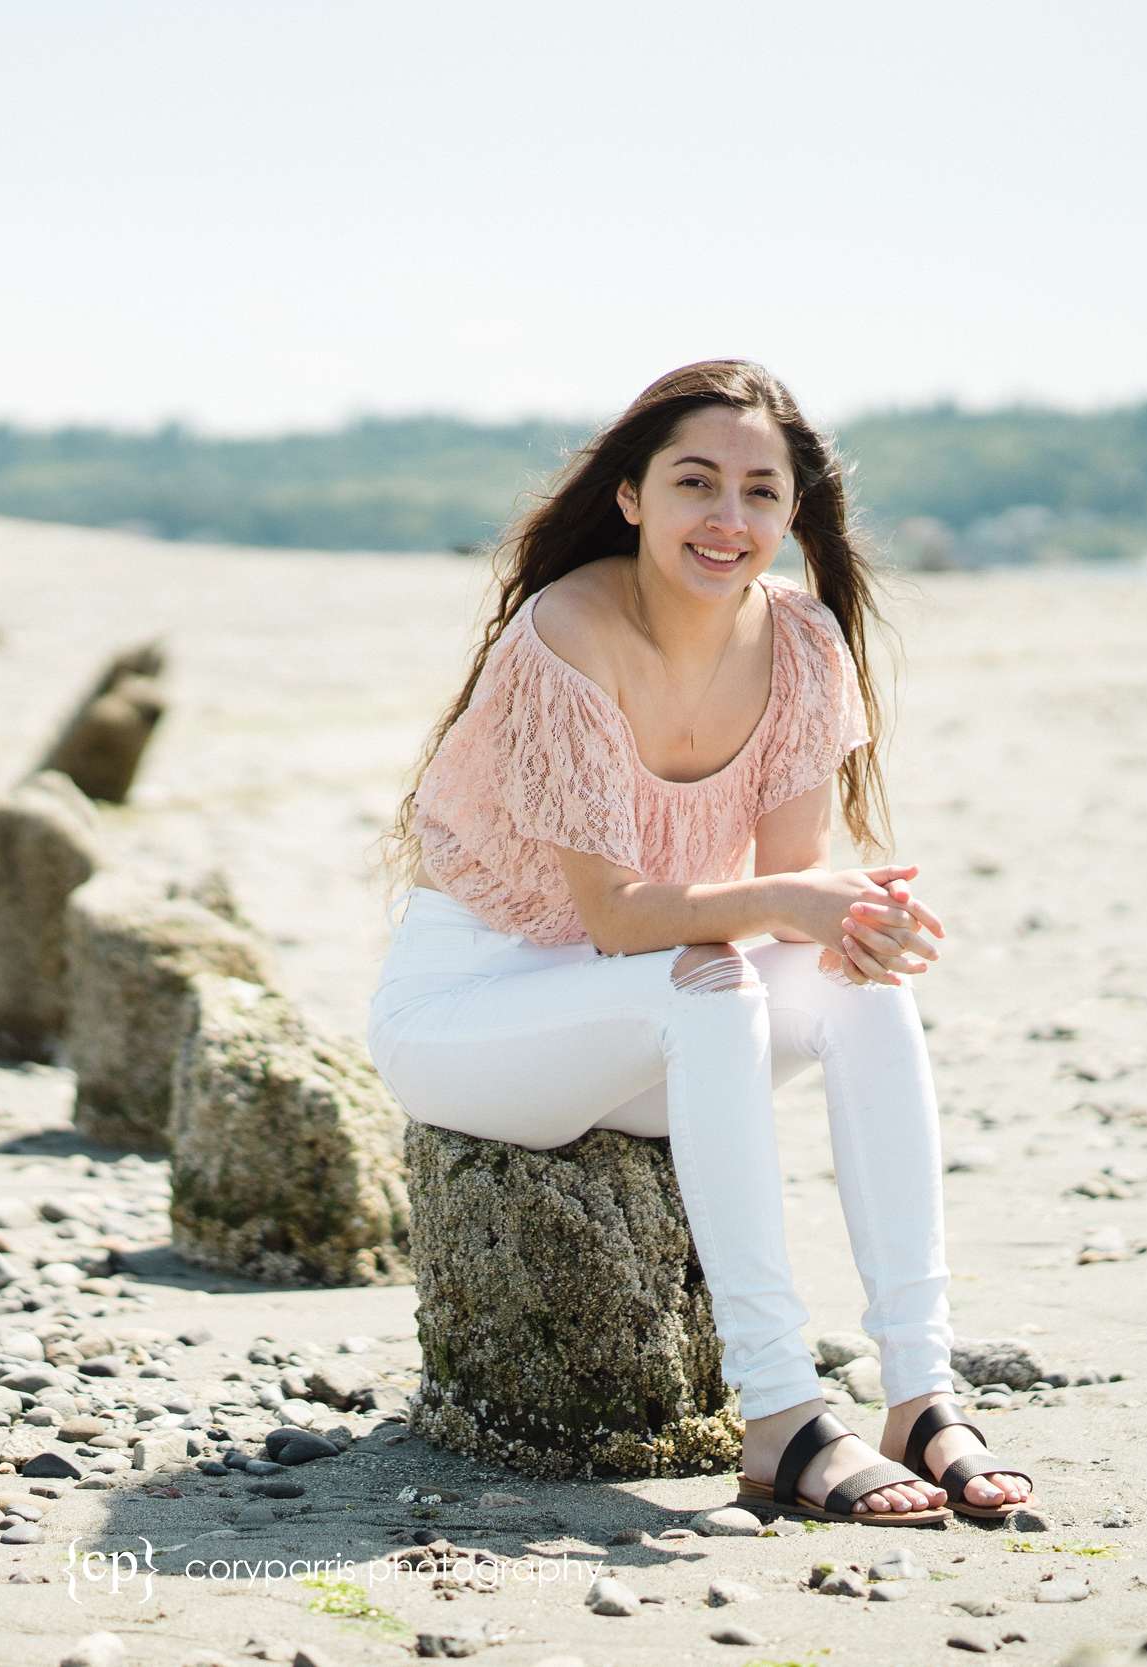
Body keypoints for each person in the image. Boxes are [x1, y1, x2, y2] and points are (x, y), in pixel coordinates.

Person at [367, 358, 1036, 1528]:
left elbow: (776, 895)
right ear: (631, 497)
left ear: (790, 513)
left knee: (858, 983)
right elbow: (624, 912)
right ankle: (778, 1410)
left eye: (760, 494)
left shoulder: (801, 640)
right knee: (714, 983)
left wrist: (848, 917)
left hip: (655, 1013)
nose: (728, 520)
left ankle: (921, 1389)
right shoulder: (566, 629)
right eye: (695, 483)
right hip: (474, 1015)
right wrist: (800, 895)